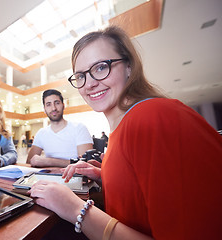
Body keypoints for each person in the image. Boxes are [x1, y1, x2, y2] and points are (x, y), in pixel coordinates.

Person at [28, 26, 222, 239]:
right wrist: (105, 175)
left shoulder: (154, 117)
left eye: (101, 67)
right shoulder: (121, 130)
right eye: (80, 75)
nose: (90, 83)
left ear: (129, 66)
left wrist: (75, 209)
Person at [27, 89, 93, 167]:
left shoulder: (79, 128)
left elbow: (86, 164)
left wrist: (49, 161)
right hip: (48, 176)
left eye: (57, 103)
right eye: (48, 104)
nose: (53, 108)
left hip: (74, 177)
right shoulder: (41, 133)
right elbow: (29, 162)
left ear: (63, 105)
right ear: (44, 109)